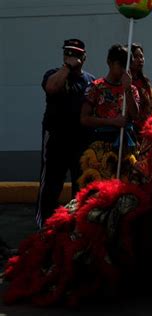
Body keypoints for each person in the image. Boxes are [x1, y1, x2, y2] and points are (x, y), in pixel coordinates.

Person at [35, 39, 95, 228]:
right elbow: (52, 88)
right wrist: (67, 68)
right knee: (51, 186)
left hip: (81, 141)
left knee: (80, 187)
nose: (72, 57)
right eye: (68, 53)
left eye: (76, 54)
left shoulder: (91, 81)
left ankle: (75, 227)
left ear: (84, 57)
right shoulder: (53, 74)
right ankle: (44, 227)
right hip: (56, 139)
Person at [78, 44, 140, 187]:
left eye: (127, 66)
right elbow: (84, 119)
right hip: (102, 143)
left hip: (126, 144)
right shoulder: (96, 87)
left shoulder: (132, 89)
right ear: (109, 62)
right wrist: (113, 122)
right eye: (120, 64)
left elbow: (135, 114)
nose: (124, 70)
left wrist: (128, 90)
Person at [130, 43, 152, 129]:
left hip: (144, 127)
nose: (140, 60)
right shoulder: (123, 81)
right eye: (135, 57)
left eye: (141, 56)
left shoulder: (145, 81)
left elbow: (148, 108)